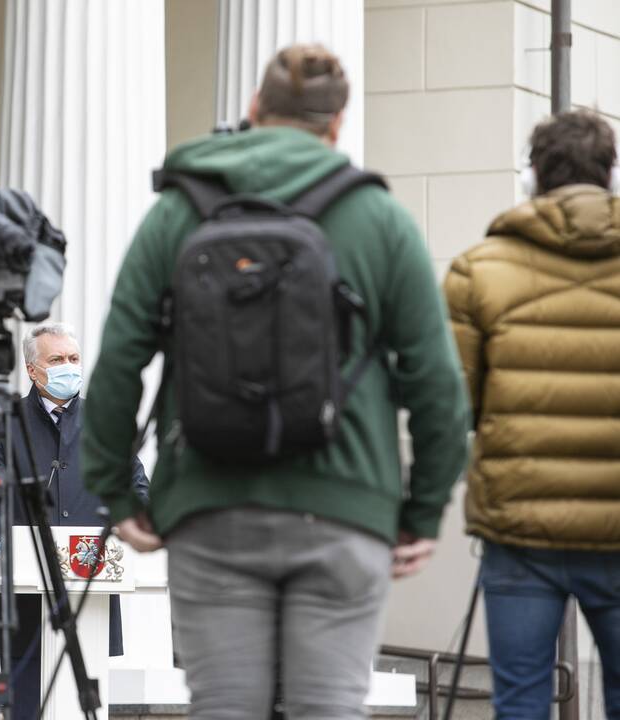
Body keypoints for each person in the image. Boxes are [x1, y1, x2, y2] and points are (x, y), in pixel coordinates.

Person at [82, 44, 470, 719]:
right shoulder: (380, 220)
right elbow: (436, 379)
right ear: (338, 124)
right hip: (346, 508)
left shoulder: (177, 213)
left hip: (210, 505)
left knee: (224, 708)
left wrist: (117, 492)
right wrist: (422, 509)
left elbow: (118, 361)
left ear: (255, 109)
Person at [445, 110, 620, 720]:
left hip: (517, 523)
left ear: (534, 177)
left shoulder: (479, 269)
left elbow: (454, 401)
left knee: (519, 698)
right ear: (610, 174)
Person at [0, 322, 149, 720]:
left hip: (89, 590)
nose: (68, 367)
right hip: (23, 595)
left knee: (80, 707)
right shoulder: (5, 421)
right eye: (56, 359)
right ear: (32, 369)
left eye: (73, 359)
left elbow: (137, 488)